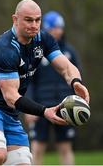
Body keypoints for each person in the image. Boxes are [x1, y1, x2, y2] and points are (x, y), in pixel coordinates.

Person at [0, 0, 90, 166]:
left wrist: (76, 83)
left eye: (38, 20)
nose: (34, 25)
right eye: (29, 20)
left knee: (23, 163)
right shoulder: (5, 50)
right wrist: (45, 111)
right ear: (15, 19)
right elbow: (11, 97)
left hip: (10, 114)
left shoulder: (44, 40)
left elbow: (66, 68)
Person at [25, 11, 80, 165]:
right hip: (40, 107)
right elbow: (29, 81)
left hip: (65, 106)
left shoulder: (70, 52)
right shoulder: (36, 52)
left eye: (59, 28)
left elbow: (76, 78)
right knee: (37, 147)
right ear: (46, 30)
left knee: (65, 147)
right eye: (53, 28)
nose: (57, 31)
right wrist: (29, 106)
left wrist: (78, 101)